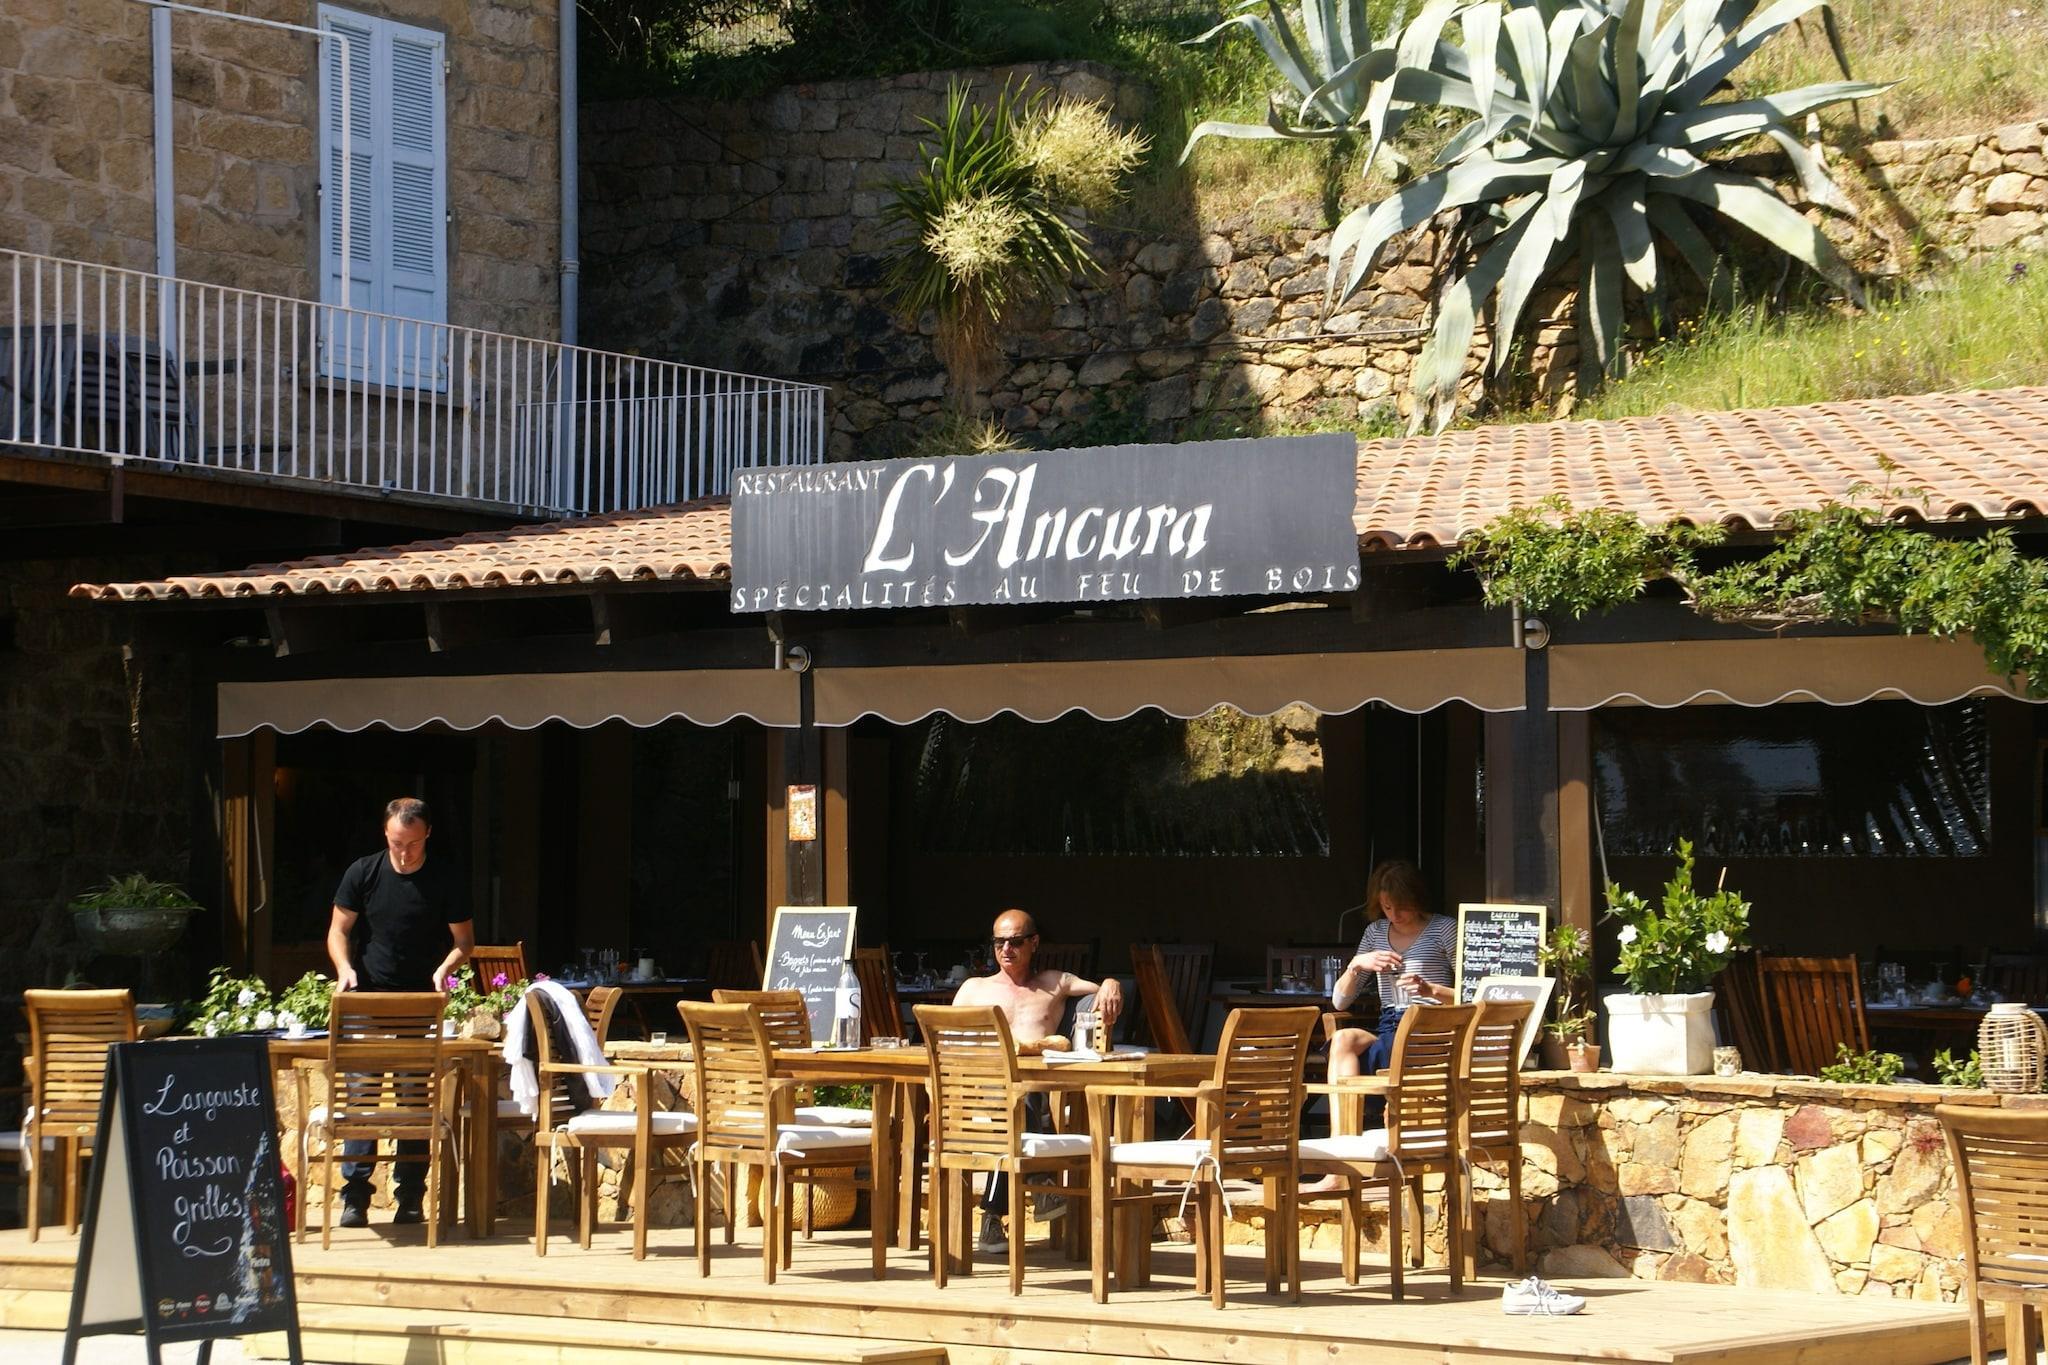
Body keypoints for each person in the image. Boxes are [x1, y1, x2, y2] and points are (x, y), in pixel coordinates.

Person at [325, 796, 475, 1228]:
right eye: (396, 843)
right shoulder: (364, 872)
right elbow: (338, 930)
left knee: (413, 1100)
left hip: (418, 1005)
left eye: (412, 843)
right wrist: (345, 968)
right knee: (361, 1098)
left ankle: (410, 1197)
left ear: (427, 835)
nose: (404, 853)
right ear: (385, 834)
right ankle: (355, 1197)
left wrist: (444, 970)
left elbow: (464, 943)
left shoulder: (445, 878)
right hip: (368, 1001)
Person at [950, 908, 1123, 1251]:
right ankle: (1041, 1180)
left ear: (1034, 942)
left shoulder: (1054, 983)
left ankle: (993, 1216)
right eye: (999, 942)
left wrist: (1112, 983)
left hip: (1032, 1095)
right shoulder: (973, 989)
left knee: (1021, 1100)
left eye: (1015, 941)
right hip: (978, 1094)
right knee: (1013, 1099)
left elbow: (1101, 990)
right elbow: (949, 1044)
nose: (1006, 949)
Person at [1303, 860, 1457, 1194]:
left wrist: (1431, 990)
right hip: (1391, 1024)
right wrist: (1357, 965)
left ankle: (1368, 1162)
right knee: (1343, 1039)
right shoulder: (1375, 933)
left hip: (1432, 1026)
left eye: (1402, 906)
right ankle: (1340, 1161)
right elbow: (1340, 1002)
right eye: (1387, 907)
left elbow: (1474, 994)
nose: (1394, 915)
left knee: (1394, 1043)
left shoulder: (1445, 929)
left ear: (1417, 898)